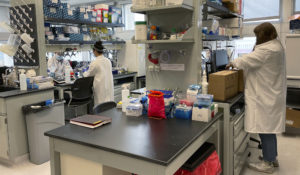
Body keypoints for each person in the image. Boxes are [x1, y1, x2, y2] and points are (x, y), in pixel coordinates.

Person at [226, 22, 286, 174]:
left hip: (265, 96)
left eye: (257, 36)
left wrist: (232, 62)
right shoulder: (275, 46)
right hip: (270, 94)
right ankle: (272, 158)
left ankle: (268, 162)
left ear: (263, 36)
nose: (256, 38)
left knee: (265, 130)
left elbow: (247, 60)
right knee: (268, 130)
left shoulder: (267, 50)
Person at [83, 41, 114, 107]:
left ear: (95, 51)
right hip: (108, 87)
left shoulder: (95, 62)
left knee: (101, 108)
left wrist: (83, 72)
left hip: (101, 89)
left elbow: (87, 75)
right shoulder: (108, 61)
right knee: (109, 107)